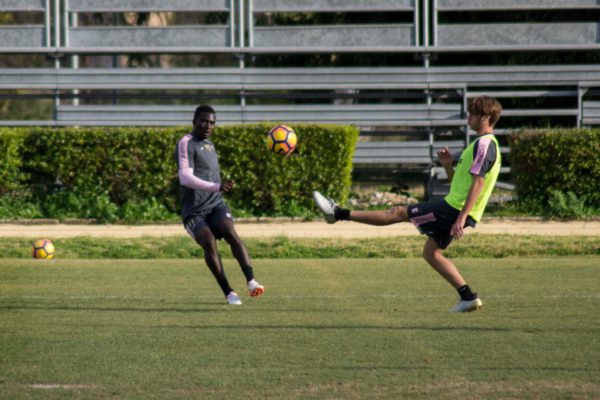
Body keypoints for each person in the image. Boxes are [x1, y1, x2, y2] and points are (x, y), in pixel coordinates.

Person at [313, 96, 502, 312]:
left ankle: (337, 213)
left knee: (398, 212)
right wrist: (448, 165)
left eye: (473, 113)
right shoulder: (479, 144)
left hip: (455, 209)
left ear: (486, 117)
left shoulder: (485, 144)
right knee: (431, 253)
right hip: (457, 206)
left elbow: (479, 183)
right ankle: (468, 297)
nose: (468, 117)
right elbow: (459, 185)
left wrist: (461, 217)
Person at [175, 105, 264, 305]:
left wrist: (221, 187)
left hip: (216, 204)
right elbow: (185, 178)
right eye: (204, 121)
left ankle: (251, 281)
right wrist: (217, 186)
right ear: (194, 122)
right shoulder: (186, 142)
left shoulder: (210, 145)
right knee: (208, 241)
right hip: (194, 211)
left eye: (212, 122)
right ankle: (229, 292)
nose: (208, 125)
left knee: (229, 231)